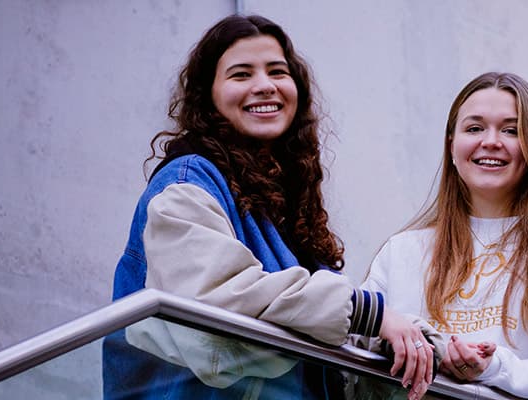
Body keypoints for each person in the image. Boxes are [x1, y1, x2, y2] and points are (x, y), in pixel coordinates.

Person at [104, 14, 440, 400]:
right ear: (207, 96)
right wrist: (372, 314)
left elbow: (328, 339)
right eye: (241, 74)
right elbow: (219, 299)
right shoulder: (186, 184)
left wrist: (427, 347)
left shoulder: (285, 211)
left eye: (277, 72)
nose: (264, 86)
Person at [360, 72, 528, 400]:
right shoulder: (402, 251)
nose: (490, 141)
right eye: (474, 128)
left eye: (511, 130)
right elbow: (358, 343)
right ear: (451, 143)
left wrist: (493, 367)